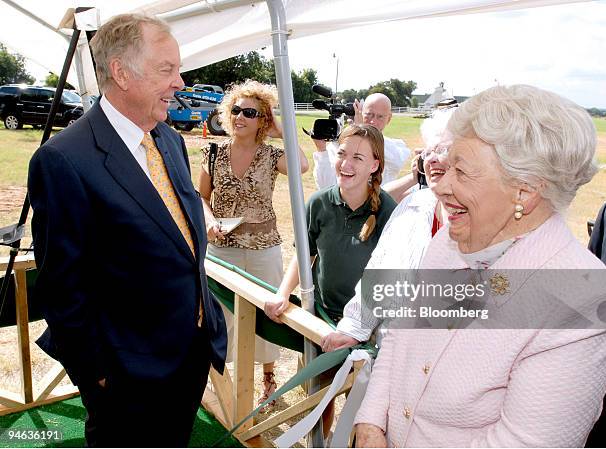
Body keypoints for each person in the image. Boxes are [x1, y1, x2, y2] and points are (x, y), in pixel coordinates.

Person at [354, 85, 606, 447]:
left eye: (461, 171)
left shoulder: (579, 301)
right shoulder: (448, 242)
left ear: (524, 191)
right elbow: (399, 333)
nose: (440, 187)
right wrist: (370, 423)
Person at [28, 14, 227, 447]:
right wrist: (96, 373)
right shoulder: (64, 159)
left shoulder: (170, 141)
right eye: (166, 69)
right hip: (125, 373)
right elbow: (62, 288)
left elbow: (180, 241)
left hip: (189, 353)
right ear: (121, 73)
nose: (180, 81)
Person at [265, 123, 396, 436]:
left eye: (358, 158)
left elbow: (392, 273)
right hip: (322, 321)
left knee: (360, 408)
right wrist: (284, 293)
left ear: (375, 165)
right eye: (342, 154)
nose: (346, 164)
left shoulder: (389, 211)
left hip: (368, 329)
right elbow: (304, 256)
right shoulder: (319, 204)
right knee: (317, 400)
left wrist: (364, 326)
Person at [199, 79, 308, 405]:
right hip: (221, 250)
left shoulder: (272, 155)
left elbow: (302, 166)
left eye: (250, 112)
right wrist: (208, 221)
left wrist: (281, 130)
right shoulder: (213, 151)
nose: (240, 117)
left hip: (264, 249)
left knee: (267, 316)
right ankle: (218, 382)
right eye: (236, 110)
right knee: (219, 317)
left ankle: (269, 379)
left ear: (263, 120)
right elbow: (201, 196)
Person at [320, 107, 456, 352]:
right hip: (397, 350)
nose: (432, 159)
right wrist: (356, 326)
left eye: (443, 150)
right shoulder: (414, 204)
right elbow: (382, 270)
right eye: (429, 151)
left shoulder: (492, 221)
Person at [312, 93, 411, 192]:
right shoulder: (342, 145)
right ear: (360, 113)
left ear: (388, 118)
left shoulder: (396, 147)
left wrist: (362, 131)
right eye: (369, 115)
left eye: (380, 117)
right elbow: (325, 187)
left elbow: (397, 160)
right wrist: (322, 151)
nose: (373, 121)